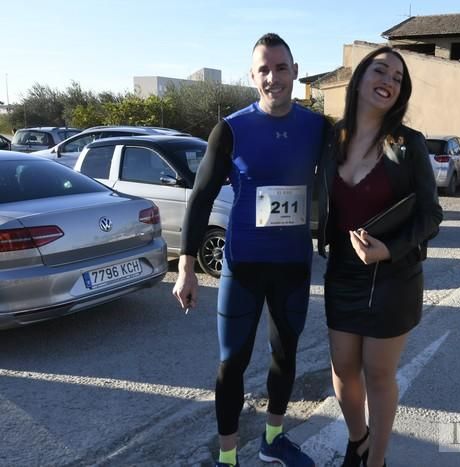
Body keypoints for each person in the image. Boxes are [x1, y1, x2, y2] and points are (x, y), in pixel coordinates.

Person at [172, 33, 325, 467]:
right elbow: (200, 197)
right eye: (264, 69)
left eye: (281, 68)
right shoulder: (232, 129)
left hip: (294, 266)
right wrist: (185, 267)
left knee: (285, 356)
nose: (273, 77)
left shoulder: (318, 128)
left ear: (295, 72)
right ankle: (227, 458)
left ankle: (273, 440)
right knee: (231, 364)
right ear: (252, 76)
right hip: (243, 267)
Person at [316, 47, 443, 467]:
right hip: (342, 273)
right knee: (342, 370)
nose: (389, 79)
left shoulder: (409, 144)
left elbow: (431, 214)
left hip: (393, 276)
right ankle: (359, 439)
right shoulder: (332, 139)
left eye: (398, 77)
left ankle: (377, 461)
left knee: (378, 373)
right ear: (360, 79)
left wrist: (389, 249)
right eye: (380, 69)